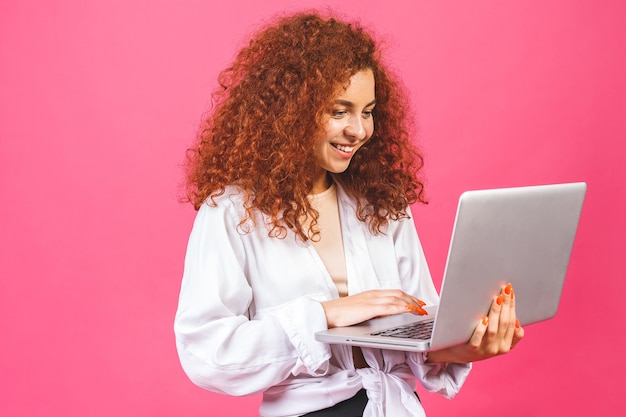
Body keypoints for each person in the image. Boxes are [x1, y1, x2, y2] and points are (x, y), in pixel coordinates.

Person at [174, 11, 524, 417]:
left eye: (368, 111)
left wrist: (466, 345)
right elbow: (207, 353)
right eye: (339, 111)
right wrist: (327, 314)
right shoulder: (233, 212)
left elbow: (419, 323)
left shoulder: (381, 205)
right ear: (290, 111)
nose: (359, 130)